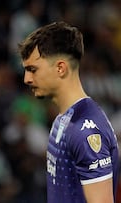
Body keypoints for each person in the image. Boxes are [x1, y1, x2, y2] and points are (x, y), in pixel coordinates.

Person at [18, 21, 119, 203]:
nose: (27, 79)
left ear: (60, 68)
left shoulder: (85, 129)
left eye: (33, 70)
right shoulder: (62, 120)